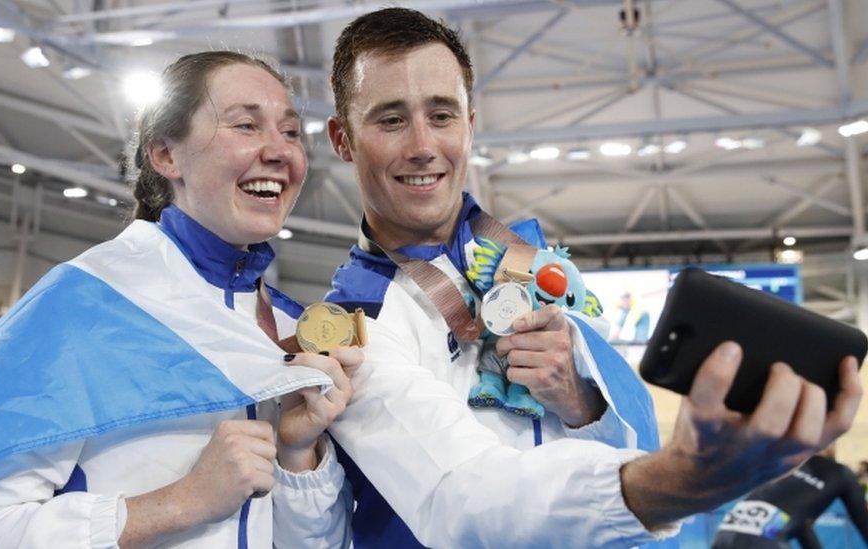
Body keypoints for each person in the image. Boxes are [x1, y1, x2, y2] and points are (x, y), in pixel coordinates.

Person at [321, 8, 862, 548]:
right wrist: (681, 480)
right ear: (342, 139)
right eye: (390, 119)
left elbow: (632, 425)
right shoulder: (350, 325)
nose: (422, 145)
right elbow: (464, 497)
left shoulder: (533, 259)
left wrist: (581, 400)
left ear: (470, 123)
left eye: (442, 115)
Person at [0, 51, 360, 548]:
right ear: (165, 156)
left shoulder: (288, 328)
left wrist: (297, 452)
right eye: (245, 125)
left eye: (291, 132)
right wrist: (181, 501)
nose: (279, 151)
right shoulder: (82, 301)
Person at [712, 446, 868, 548]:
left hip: (724, 536)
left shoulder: (786, 462)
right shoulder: (841, 473)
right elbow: (864, 524)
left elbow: (799, 525)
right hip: (762, 540)